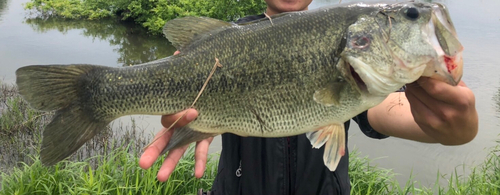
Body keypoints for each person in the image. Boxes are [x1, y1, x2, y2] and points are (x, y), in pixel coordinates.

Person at [139, 0, 479, 194]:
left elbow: (390, 107)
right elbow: (178, 89)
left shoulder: (351, 59)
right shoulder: (229, 39)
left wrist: (453, 129)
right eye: (408, 15)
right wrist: (184, 114)